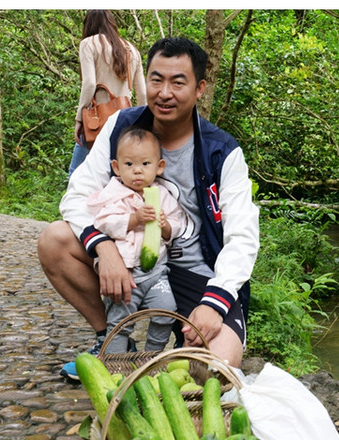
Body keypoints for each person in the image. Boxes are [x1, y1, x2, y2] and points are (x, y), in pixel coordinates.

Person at [38, 37, 259, 380]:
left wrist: (214, 303)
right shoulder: (121, 126)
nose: (164, 92)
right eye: (156, 79)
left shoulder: (222, 152)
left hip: (196, 271)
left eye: (178, 82)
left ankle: (164, 356)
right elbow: (76, 195)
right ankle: (112, 340)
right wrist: (103, 246)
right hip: (129, 257)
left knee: (216, 371)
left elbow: (243, 238)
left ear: (200, 88)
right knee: (54, 239)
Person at [86, 126, 184, 357]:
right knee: (120, 323)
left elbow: (176, 224)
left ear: (159, 167)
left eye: (145, 164)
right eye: (129, 165)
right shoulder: (113, 193)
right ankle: (114, 365)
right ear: (116, 167)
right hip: (126, 275)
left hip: (156, 272)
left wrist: (165, 226)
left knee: (166, 310)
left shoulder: (162, 195)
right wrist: (134, 219)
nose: (137, 171)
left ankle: (150, 359)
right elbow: (103, 222)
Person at [69, 10, 146, 179]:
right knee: (114, 175)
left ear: (89, 24)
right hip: (125, 121)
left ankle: (74, 205)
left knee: (76, 173)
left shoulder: (88, 44)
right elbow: (143, 93)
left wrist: (79, 118)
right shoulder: (131, 49)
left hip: (96, 121)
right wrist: (141, 125)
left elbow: (89, 84)